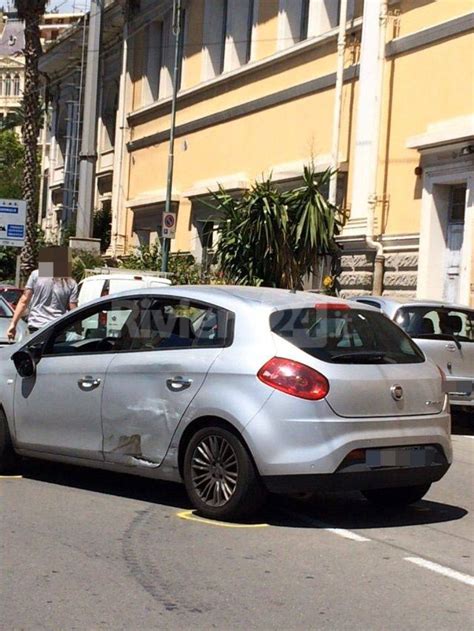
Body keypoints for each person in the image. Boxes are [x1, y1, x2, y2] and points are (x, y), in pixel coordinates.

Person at [7, 246, 78, 341]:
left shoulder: (36, 275)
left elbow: (24, 300)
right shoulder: (71, 283)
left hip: (36, 328)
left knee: (34, 354)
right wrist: (78, 327)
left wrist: (13, 324)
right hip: (57, 329)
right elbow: (73, 308)